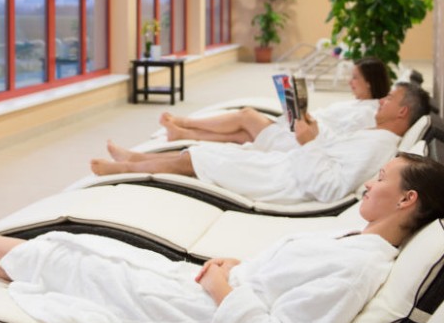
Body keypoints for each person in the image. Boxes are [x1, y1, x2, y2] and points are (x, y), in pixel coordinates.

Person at [0, 153, 444, 323]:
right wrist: (239, 268)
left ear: (407, 199)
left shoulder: (358, 269)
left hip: (204, 322)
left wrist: (225, 289)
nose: (368, 183)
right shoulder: (357, 243)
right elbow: (282, 280)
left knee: (73, 261)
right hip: (212, 293)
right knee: (85, 246)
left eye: (380, 178)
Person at [91, 82, 431, 203]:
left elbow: (330, 188)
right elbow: (333, 156)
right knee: (204, 153)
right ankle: (134, 160)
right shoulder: (376, 135)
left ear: (402, 112)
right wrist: (313, 135)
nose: (381, 101)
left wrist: (308, 143)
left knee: (196, 158)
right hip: (290, 164)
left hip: (287, 181)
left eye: (389, 99)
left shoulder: (379, 146)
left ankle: (125, 167)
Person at [160, 57, 391, 145]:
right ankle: (183, 134)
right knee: (244, 136)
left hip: (303, 140)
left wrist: (308, 124)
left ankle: (185, 122)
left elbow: (343, 138)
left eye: (355, 78)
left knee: (246, 115)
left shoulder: (369, 112)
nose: (350, 81)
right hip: (302, 129)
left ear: (370, 82)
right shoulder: (358, 104)